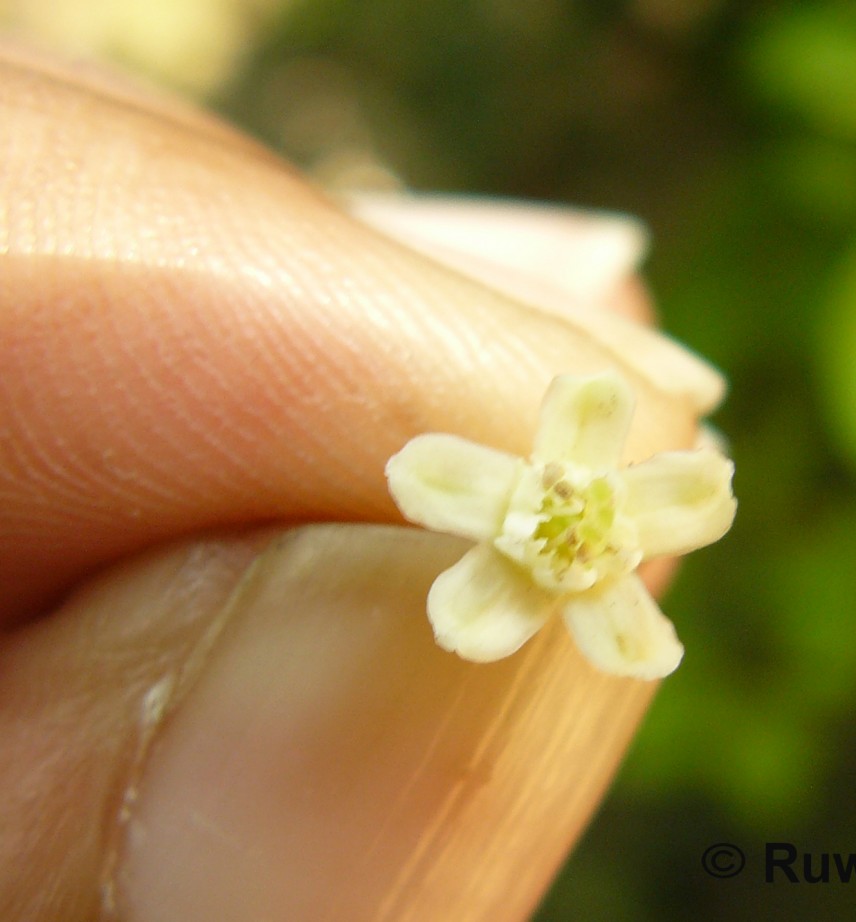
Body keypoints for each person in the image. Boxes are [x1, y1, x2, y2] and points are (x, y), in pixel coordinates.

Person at [0, 44, 719, 921]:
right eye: (570, 512)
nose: (576, 526)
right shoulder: (486, 508)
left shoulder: (601, 583)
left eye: (581, 524)